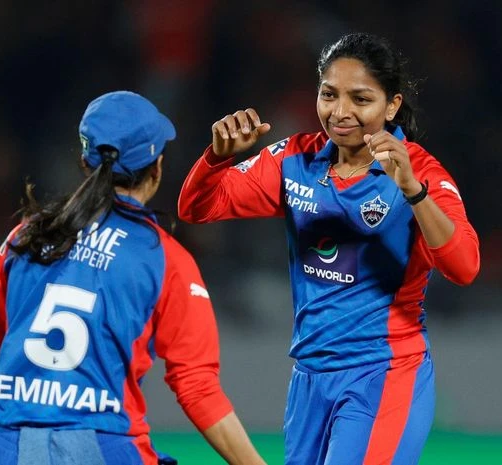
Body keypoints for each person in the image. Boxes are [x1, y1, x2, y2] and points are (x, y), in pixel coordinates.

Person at [0, 91, 267, 465]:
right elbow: (197, 386)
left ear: (85, 162)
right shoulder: (164, 259)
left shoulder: (26, 237)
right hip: (101, 447)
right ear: (157, 167)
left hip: (11, 450)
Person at [178, 33, 480, 465]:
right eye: (329, 95)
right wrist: (215, 159)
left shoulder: (420, 171)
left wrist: (413, 191)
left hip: (382, 374)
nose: (340, 112)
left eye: (361, 99)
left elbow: (464, 267)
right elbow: (197, 208)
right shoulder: (295, 160)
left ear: (391, 106)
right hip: (310, 381)